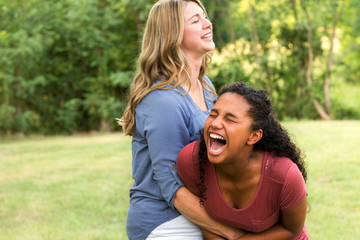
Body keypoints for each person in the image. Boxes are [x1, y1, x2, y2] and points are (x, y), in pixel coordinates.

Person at [119, 0, 242, 239]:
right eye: (196, 21)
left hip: (198, 211)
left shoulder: (205, 86)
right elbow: (172, 189)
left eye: (205, 16)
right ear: (172, 35)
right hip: (166, 220)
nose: (208, 24)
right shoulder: (163, 100)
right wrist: (231, 233)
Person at [177, 82, 309, 239]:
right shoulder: (192, 162)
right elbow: (203, 219)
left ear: (254, 136)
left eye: (230, 119)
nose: (215, 123)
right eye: (213, 114)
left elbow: (291, 230)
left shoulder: (284, 176)